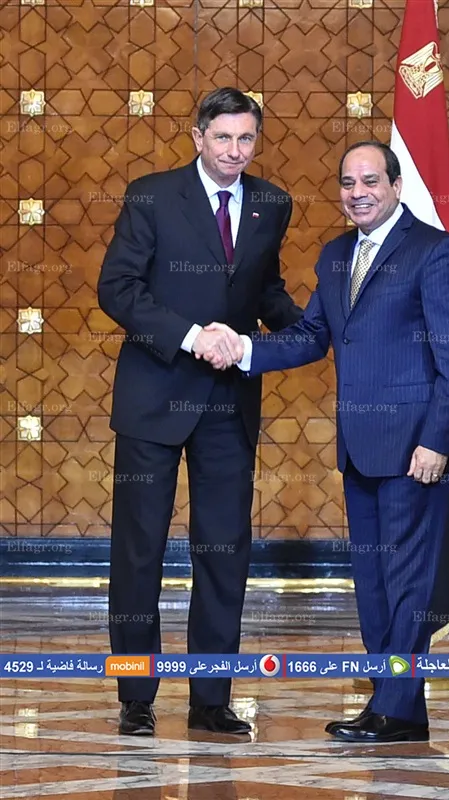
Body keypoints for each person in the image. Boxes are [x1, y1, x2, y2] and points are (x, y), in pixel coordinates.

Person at [203, 141, 449, 742]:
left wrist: (437, 442)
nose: (358, 193)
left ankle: (394, 710)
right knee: (374, 583)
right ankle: (398, 706)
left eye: (370, 181)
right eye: (348, 183)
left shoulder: (437, 253)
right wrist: (242, 348)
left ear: (396, 186)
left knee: (408, 585)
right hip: (359, 447)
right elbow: (311, 336)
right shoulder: (335, 256)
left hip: (416, 450)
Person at [97, 87, 302, 736]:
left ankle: (211, 699)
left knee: (223, 551)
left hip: (228, 405)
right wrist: (192, 337)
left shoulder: (272, 203)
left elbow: (265, 291)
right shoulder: (152, 196)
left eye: (246, 139)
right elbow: (117, 288)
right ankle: (135, 696)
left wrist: (322, 328)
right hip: (154, 396)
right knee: (139, 553)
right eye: (222, 138)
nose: (235, 151)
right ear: (197, 137)